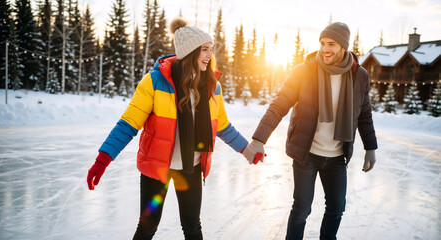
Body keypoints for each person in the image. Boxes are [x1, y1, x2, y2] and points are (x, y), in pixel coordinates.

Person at [87, 17, 252, 240]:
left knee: (193, 227)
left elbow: (222, 127)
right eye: (204, 50)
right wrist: (102, 160)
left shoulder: (213, 87)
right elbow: (128, 124)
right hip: (156, 169)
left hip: (191, 168)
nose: (209, 56)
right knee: (147, 227)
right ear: (190, 52)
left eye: (210, 50)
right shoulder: (155, 81)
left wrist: (247, 149)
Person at [243, 22, 378, 240]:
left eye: (331, 44)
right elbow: (279, 105)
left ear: (343, 47)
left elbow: (364, 114)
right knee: (301, 210)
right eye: (323, 43)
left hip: (336, 156)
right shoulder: (304, 71)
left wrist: (370, 148)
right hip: (307, 153)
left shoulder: (359, 75)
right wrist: (259, 139)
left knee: (336, 208)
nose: (325, 49)